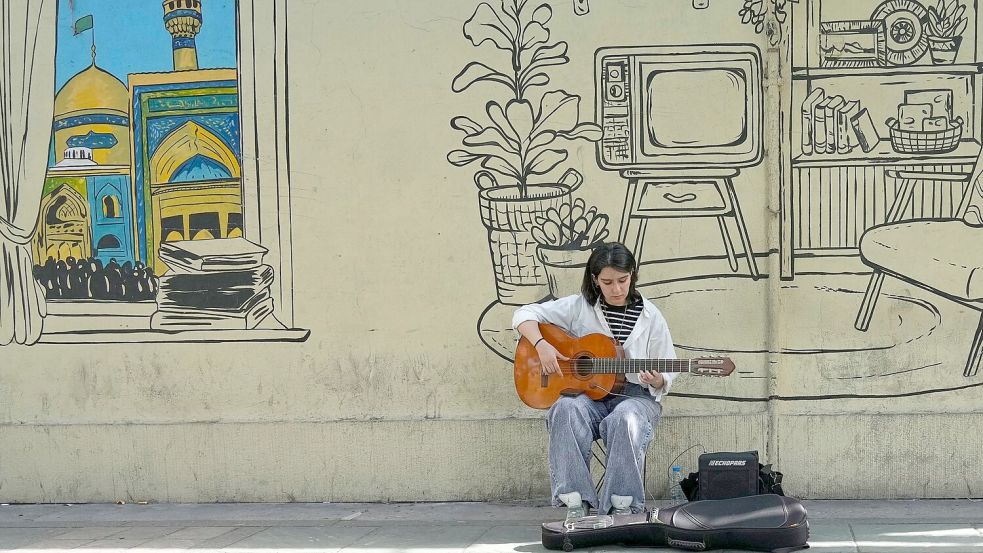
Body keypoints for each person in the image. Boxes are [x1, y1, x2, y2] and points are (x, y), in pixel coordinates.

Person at [512, 242, 677, 520]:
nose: (616, 289)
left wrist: (658, 379)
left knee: (625, 417)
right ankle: (576, 501)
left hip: (635, 397)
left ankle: (621, 505)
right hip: (589, 397)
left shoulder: (651, 316)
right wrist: (541, 344)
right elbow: (523, 315)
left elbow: (667, 372)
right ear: (595, 280)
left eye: (623, 280)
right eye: (607, 282)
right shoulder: (580, 307)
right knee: (564, 409)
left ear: (633, 275)